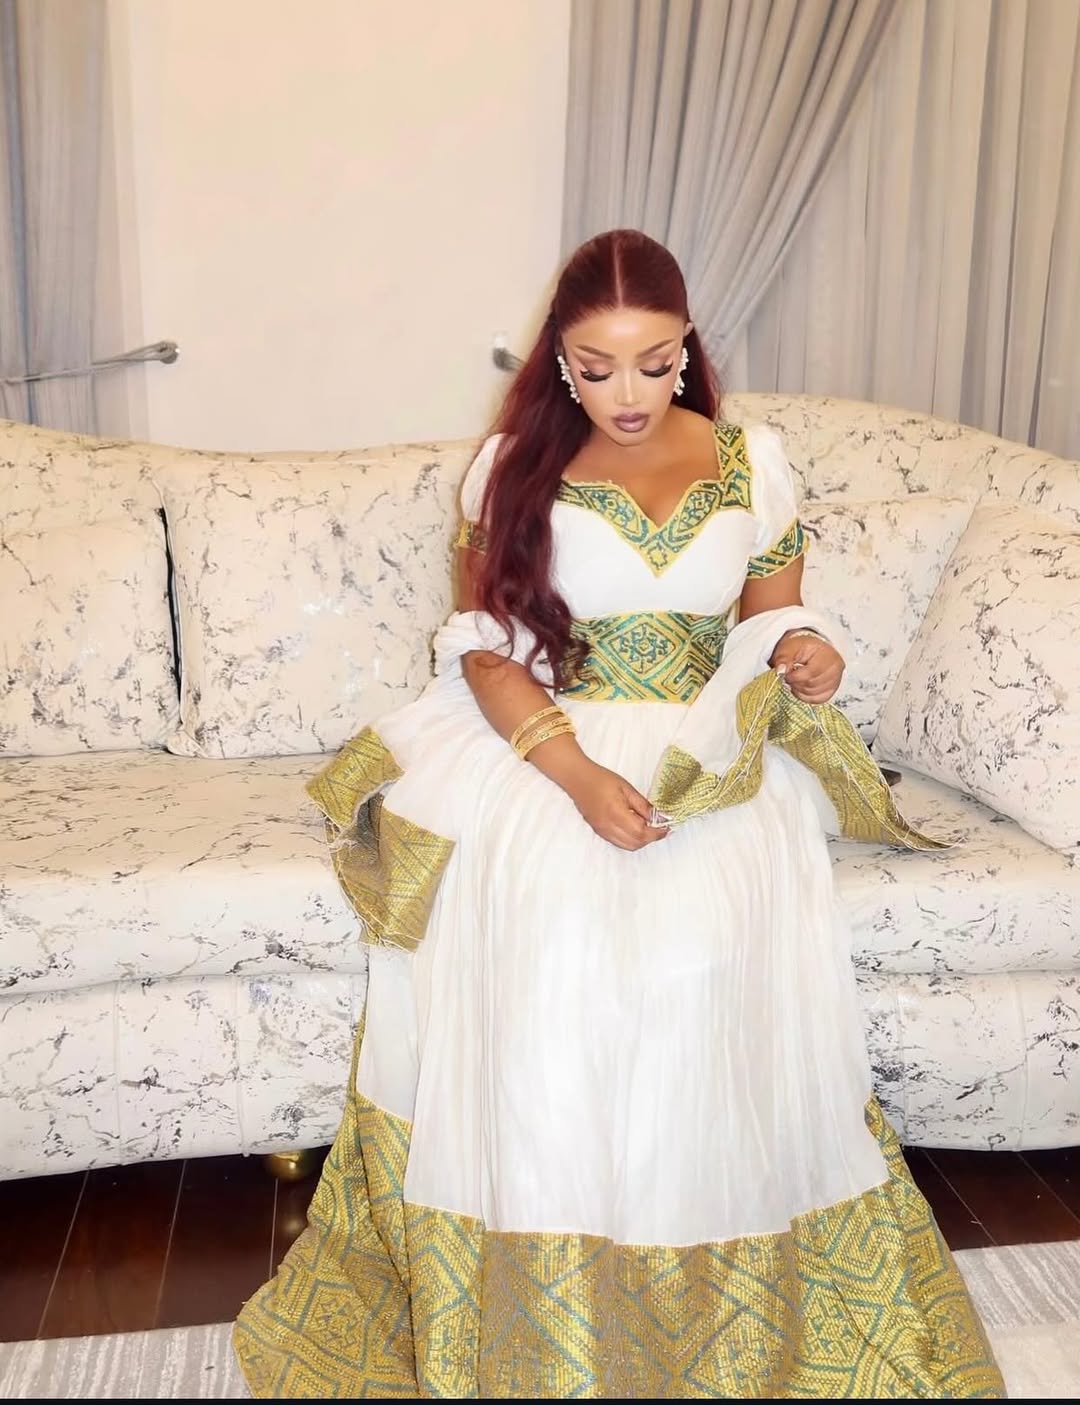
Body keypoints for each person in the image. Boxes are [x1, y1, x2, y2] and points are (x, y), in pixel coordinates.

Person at [234, 229, 1004, 1398]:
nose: (627, 393)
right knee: (551, 951)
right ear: (559, 359)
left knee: (704, 951)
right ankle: (545, 1323)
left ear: (689, 348)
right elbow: (488, 660)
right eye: (596, 366)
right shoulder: (510, 466)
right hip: (547, 748)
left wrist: (802, 652)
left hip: (711, 752)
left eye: (653, 362)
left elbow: (769, 623)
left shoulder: (754, 460)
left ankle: (729, 1310)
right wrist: (579, 775)